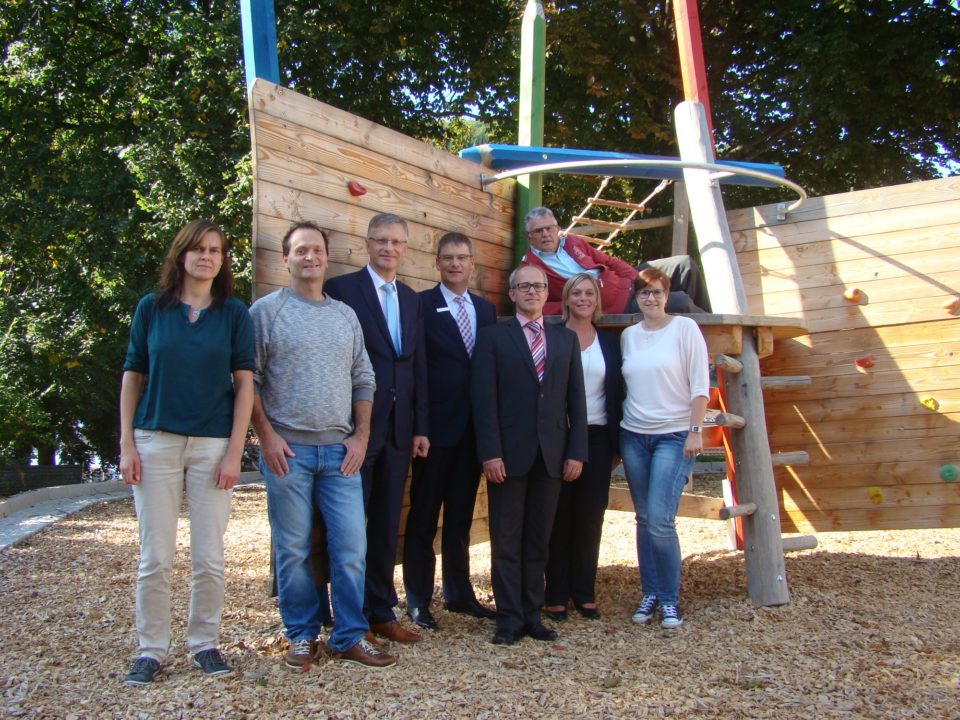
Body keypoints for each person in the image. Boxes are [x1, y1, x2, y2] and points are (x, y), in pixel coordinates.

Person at [250, 221, 396, 669]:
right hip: (287, 452)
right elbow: (248, 379)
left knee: (351, 548)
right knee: (293, 549)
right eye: (300, 251)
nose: (310, 257)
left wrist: (361, 436)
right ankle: (301, 634)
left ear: (326, 258)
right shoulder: (265, 312)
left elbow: (364, 378)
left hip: (339, 452)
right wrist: (266, 437)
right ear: (286, 259)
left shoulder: (344, 316)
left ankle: (349, 635)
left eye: (316, 250)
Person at [119, 219, 254, 686]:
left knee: (209, 556)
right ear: (181, 255)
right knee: (155, 556)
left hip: (213, 445)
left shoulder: (234, 313)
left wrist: (235, 452)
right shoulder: (151, 309)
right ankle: (150, 650)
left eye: (215, 250)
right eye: (198, 249)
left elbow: (245, 385)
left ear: (223, 260)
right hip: (154, 440)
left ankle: (204, 643)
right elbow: (133, 375)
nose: (206, 257)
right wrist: (126, 444)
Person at [325, 213, 429, 644]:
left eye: (397, 242)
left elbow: (417, 366)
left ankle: (381, 611)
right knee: (349, 526)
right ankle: (346, 615)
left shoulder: (412, 299)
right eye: (381, 240)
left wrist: (420, 426)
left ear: (406, 248)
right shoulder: (342, 290)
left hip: (400, 431)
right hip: (356, 428)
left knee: (387, 522)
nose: (389, 248)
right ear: (367, 244)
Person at [472, 265, 588, 646]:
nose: (532, 292)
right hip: (507, 456)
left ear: (546, 293)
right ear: (512, 293)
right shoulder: (492, 338)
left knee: (539, 540)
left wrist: (576, 452)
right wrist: (490, 453)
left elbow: (577, 401)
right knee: (506, 540)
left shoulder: (565, 339)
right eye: (524, 286)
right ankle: (508, 619)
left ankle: (532, 615)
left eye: (538, 286)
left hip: (552, 456)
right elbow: (484, 400)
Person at [402, 232, 498, 630]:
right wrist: (419, 425)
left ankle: (459, 594)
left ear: (472, 263)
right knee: (424, 516)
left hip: (473, 432)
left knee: (460, 517)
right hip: (434, 430)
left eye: (462, 257)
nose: (455, 264)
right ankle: (418, 600)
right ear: (436, 263)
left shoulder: (486, 309)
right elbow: (415, 369)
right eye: (448, 258)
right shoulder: (420, 304)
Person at [620, 266, 709, 630]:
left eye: (657, 292)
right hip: (634, 435)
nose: (651, 298)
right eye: (644, 292)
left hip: (674, 434)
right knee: (643, 518)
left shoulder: (685, 329)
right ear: (636, 297)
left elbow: (700, 385)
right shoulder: (629, 336)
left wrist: (695, 431)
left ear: (667, 295)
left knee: (660, 519)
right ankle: (651, 592)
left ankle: (670, 599)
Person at [544, 274, 622, 622]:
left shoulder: (610, 343)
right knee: (558, 515)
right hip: (559, 436)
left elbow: (618, 392)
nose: (583, 298)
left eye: (590, 293)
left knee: (591, 515)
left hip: (598, 436)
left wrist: (617, 443)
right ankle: (555, 593)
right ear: (566, 299)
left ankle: (584, 591)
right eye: (576, 292)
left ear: (597, 300)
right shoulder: (553, 337)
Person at [519, 207, 710, 316]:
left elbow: (608, 260)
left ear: (557, 228)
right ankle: (715, 341)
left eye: (549, 228)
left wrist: (637, 279)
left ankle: (714, 324)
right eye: (538, 231)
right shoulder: (530, 268)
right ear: (529, 237)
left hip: (625, 281)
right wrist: (572, 304)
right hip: (618, 305)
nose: (545, 234)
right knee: (681, 302)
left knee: (684, 265)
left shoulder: (571, 242)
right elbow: (533, 307)